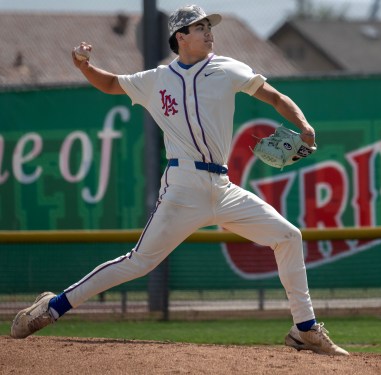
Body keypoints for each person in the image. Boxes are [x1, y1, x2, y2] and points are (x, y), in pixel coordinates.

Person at [10, 4, 348, 356]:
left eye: (208, 25)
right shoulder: (157, 79)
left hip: (223, 187)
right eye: (199, 27)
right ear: (180, 37)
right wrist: (84, 66)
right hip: (183, 186)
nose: (208, 31)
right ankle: (52, 307)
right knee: (139, 262)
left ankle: (305, 329)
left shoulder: (227, 68)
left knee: (288, 236)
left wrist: (304, 124)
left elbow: (274, 96)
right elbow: (111, 84)